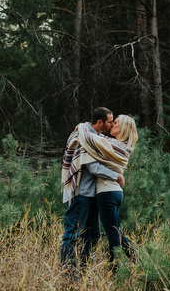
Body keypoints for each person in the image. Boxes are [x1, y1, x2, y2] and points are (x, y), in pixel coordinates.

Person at [60, 107, 124, 272]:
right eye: (110, 122)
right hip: (80, 194)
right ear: (100, 122)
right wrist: (115, 175)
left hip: (92, 194)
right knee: (72, 234)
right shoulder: (83, 137)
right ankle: (67, 271)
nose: (111, 125)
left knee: (93, 234)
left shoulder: (93, 137)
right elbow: (93, 167)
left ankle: (83, 271)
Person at [94, 114, 139, 266]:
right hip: (113, 193)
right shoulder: (120, 145)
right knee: (116, 234)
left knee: (113, 235)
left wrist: (82, 127)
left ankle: (115, 271)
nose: (112, 124)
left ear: (123, 128)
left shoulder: (116, 145)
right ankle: (137, 263)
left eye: (116, 122)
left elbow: (91, 138)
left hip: (107, 193)